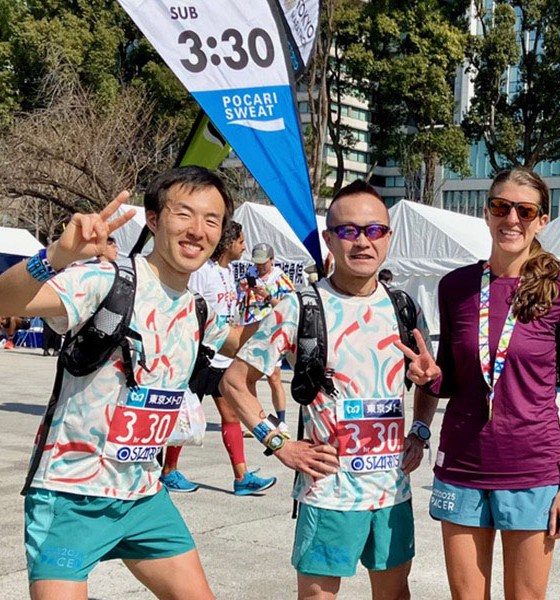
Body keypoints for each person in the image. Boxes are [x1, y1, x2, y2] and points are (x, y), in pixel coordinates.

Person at [0, 166, 242, 599]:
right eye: (185, 214)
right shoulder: (105, 279)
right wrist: (56, 257)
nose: (198, 230)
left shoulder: (199, 310)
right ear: (154, 220)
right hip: (71, 495)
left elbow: (247, 343)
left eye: (211, 220)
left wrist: (314, 309)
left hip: (144, 495)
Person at [221, 179, 434, 600]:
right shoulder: (299, 306)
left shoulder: (404, 307)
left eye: (374, 230)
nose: (362, 242)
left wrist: (422, 430)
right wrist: (280, 443)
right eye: (348, 231)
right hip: (328, 491)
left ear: (388, 237)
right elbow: (234, 383)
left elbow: (427, 379)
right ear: (329, 239)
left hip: (392, 490)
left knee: (395, 594)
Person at [416, 168, 560, 600]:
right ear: (487, 212)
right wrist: (430, 378)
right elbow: (452, 380)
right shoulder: (455, 286)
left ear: (542, 220)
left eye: (525, 210)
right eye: (501, 206)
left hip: (532, 468)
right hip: (462, 466)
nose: (511, 218)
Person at [160, 221, 278, 496]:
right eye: (241, 241)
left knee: (231, 415)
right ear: (228, 243)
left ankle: (241, 477)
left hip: (223, 355)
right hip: (200, 356)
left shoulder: (227, 272)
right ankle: (168, 470)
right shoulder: (202, 271)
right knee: (185, 415)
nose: (245, 247)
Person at [246, 243, 294, 425]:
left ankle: (281, 421)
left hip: (273, 332)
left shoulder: (281, 279)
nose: (259, 266)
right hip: (250, 330)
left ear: (272, 260)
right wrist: (243, 289)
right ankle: (254, 420)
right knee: (249, 378)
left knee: (273, 377)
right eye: (257, 262)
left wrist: (267, 297)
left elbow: (288, 307)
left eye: (263, 263)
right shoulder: (250, 274)